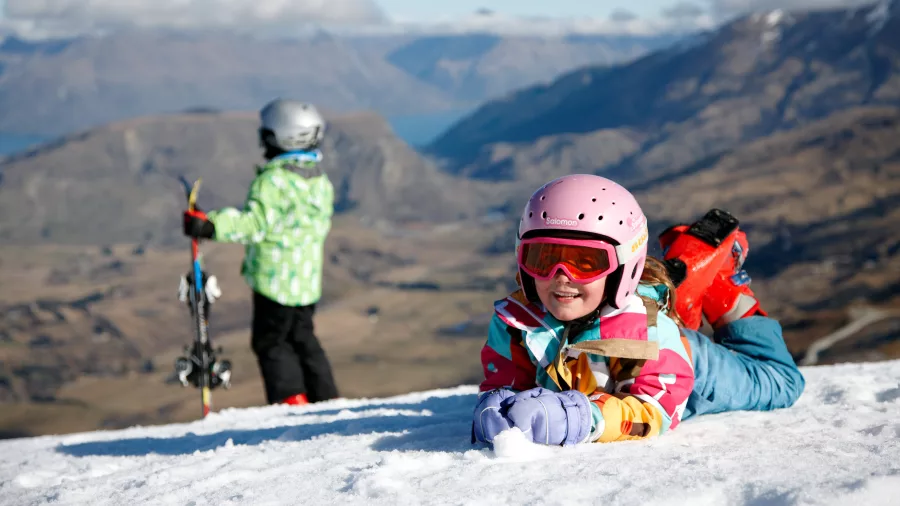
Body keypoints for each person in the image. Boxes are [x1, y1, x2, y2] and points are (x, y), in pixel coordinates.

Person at [472, 174, 805, 446]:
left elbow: (655, 411)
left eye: (585, 262)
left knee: (779, 381)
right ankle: (683, 280)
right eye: (543, 258)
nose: (561, 278)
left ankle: (724, 283)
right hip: (642, 341)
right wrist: (495, 408)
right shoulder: (516, 321)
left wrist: (583, 417)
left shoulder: (648, 332)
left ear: (622, 267)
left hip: (686, 370)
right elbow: (506, 383)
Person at [181, 98, 339, 406]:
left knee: (271, 343)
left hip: (275, 281)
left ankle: (290, 403)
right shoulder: (319, 181)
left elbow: (255, 224)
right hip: (307, 283)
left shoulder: (272, 181)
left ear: (281, 137)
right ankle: (327, 399)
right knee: (304, 339)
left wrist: (209, 225)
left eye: (266, 134)